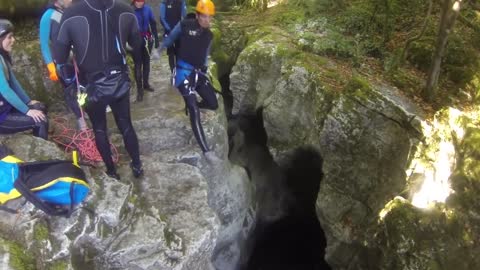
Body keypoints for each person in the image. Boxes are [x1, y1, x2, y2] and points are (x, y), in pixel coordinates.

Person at [54, 0, 144, 179]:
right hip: (119, 80)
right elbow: (137, 44)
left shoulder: (72, 13)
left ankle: (112, 172)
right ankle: (137, 166)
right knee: (125, 124)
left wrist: (76, 51)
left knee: (100, 129)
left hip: (91, 84)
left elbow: (59, 56)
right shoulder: (126, 10)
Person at [159, 0, 218, 159]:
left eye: (210, 17)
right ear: (197, 15)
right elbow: (171, 38)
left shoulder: (209, 35)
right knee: (194, 109)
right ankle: (206, 151)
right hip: (183, 73)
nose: (207, 20)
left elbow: (205, 54)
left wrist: (205, 68)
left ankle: (192, 104)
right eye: (204, 16)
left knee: (213, 104)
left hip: (198, 74)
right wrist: (159, 50)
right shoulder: (185, 25)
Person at [39, 0, 87, 130]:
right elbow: (44, 44)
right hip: (62, 63)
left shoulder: (70, 12)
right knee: (70, 92)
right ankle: (81, 120)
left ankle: (86, 111)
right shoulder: (48, 16)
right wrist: (50, 66)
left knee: (83, 87)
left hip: (78, 58)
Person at [0, 19, 49, 140]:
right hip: (2, 116)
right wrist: (27, 111)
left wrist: (28, 102)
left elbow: (13, 83)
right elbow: (5, 90)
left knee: (40, 107)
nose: (13, 40)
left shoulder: (2, 57)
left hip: (6, 108)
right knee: (41, 121)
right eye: (9, 37)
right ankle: (40, 155)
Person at [131, 0, 159, 102]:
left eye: (142, 1)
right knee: (138, 65)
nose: (140, 3)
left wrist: (156, 39)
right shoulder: (130, 11)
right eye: (138, 1)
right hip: (135, 40)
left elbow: (153, 23)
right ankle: (139, 90)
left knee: (146, 62)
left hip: (147, 39)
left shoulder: (148, 9)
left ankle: (146, 84)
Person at [159, 0, 186, 74]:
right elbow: (162, 18)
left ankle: (177, 72)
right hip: (169, 31)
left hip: (179, 31)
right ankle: (173, 72)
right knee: (171, 53)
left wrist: (179, 28)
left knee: (178, 53)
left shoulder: (181, 2)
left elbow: (184, 16)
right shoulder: (164, 3)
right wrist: (169, 29)